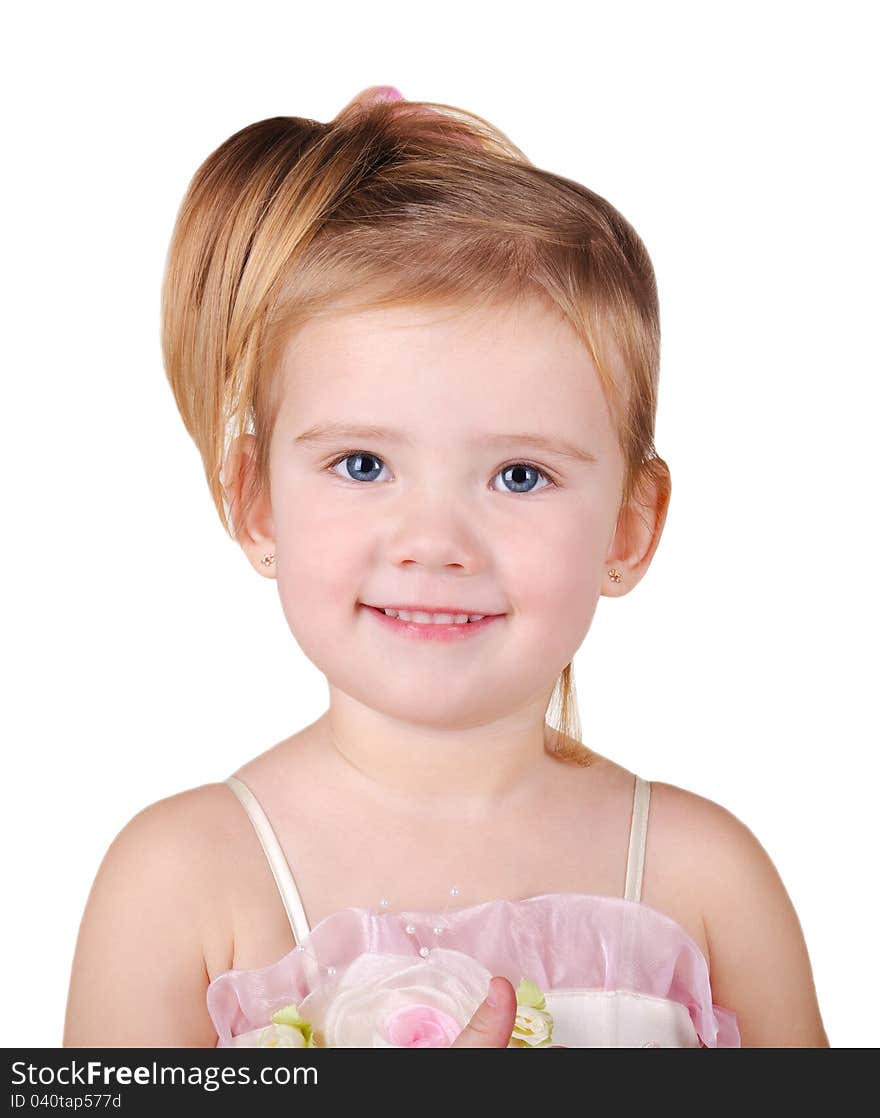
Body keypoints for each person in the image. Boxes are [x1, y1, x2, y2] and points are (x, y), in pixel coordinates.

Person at [63, 85, 829, 1049]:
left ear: (630, 528)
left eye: (520, 474)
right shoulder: (180, 885)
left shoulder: (707, 883)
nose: (435, 541)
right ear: (255, 498)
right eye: (363, 465)